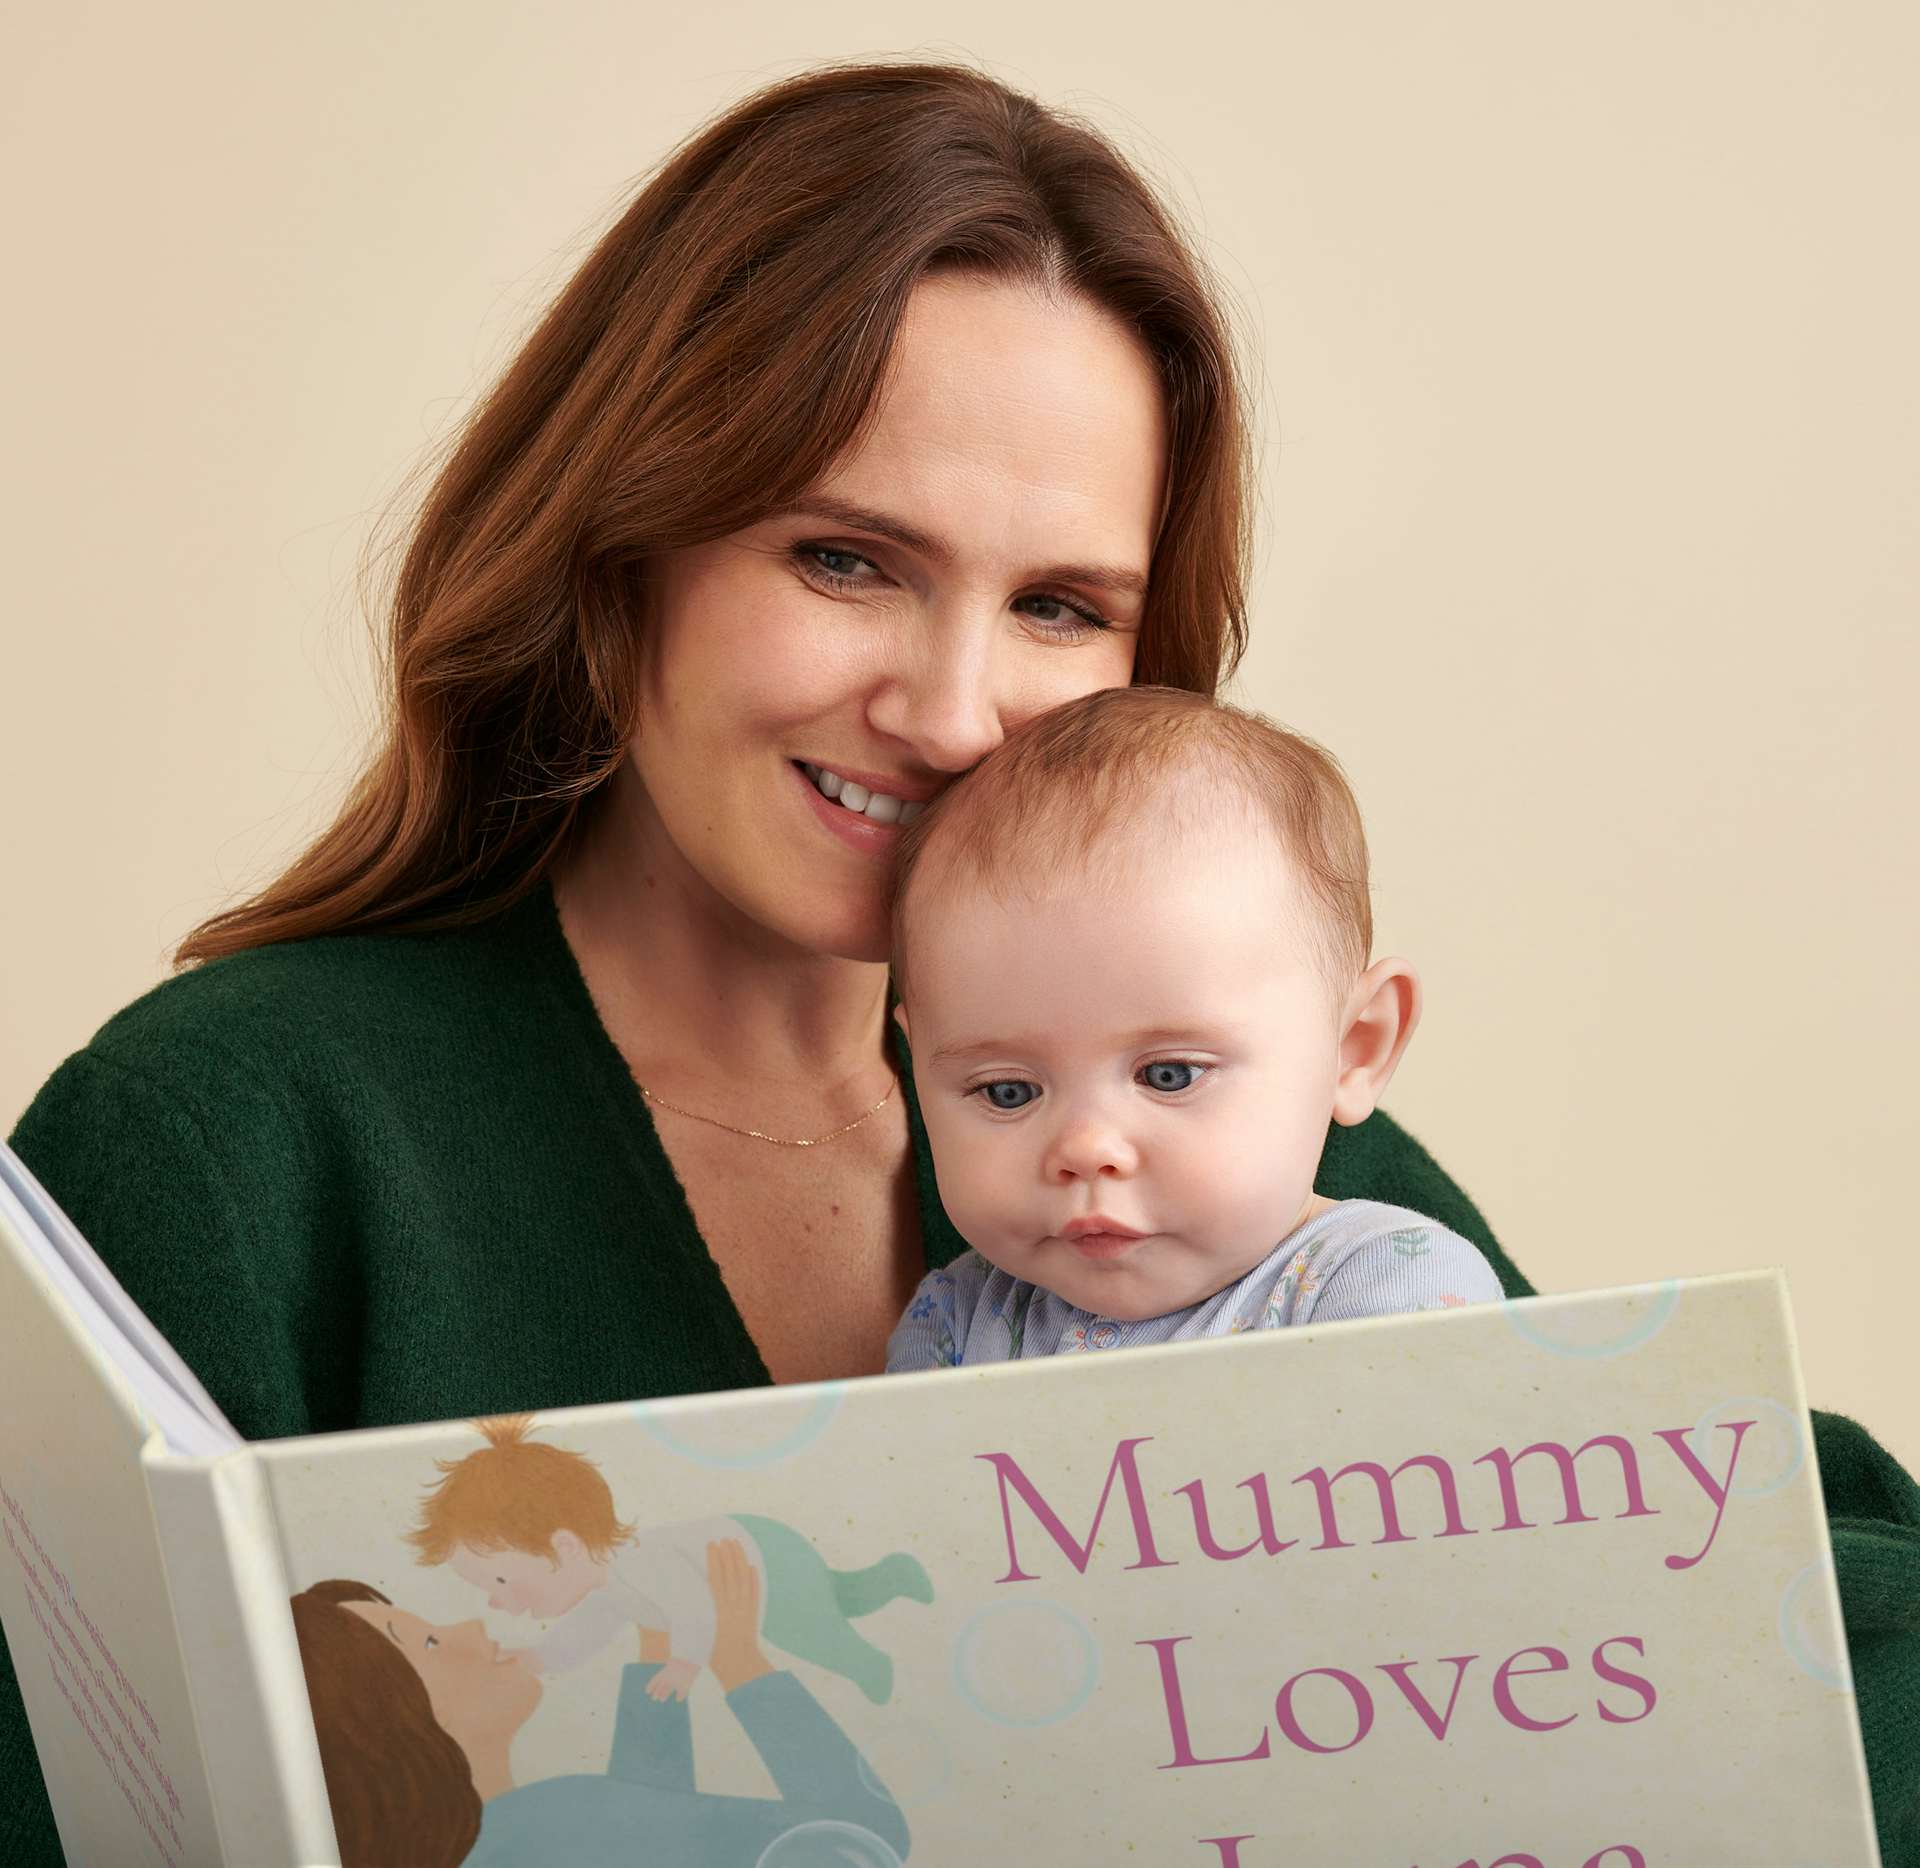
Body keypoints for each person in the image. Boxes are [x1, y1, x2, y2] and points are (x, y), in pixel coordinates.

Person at [1, 59, 1912, 1864]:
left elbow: (1732, 1571)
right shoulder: (232, 1138)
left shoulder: (1201, 1137)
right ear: (617, 559)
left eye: (1061, 605)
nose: (950, 706)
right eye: (845, 559)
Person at [886, 685, 1505, 1370]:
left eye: (1167, 1075)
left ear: (1355, 1048)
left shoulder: (1388, 1288)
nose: (1087, 1149)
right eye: (1008, 1091)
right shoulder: (953, 1322)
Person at [291, 1537, 909, 1866]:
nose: (473, 1630)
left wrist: (657, 1645)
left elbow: (655, 1840)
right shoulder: (559, 1820)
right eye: (427, 1641)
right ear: (394, 1731)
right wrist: (741, 1661)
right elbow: (862, 1842)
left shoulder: (497, 1843)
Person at [410, 1414, 931, 1704]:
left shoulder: (640, 1565)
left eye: (500, 1578)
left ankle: (869, 1660)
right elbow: (587, 1632)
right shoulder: (607, 1587)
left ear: (564, 1547)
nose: (497, 1599)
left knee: (815, 1626)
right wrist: (541, 1657)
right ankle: (890, 1579)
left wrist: (685, 1663)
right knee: (838, 1597)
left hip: (765, 1557)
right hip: (756, 1549)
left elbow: (692, 1609)